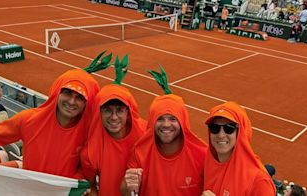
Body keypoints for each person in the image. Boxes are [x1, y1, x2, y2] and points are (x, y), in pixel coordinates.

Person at [0, 52, 111, 178]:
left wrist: (79, 181)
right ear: (57, 92)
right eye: (67, 93)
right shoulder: (29, 119)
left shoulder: (91, 131)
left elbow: (90, 169)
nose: (71, 101)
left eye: (79, 97)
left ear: (87, 102)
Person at [121, 67, 207, 195]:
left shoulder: (203, 153)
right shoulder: (140, 151)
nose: (166, 125)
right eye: (160, 119)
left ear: (182, 121)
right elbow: (126, 191)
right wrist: (127, 187)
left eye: (173, 119)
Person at [81, 55, 146, 195]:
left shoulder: (146, 133)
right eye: (108, 111)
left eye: (120, 111)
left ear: (128, 113)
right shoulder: (90, 151)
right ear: (100, 113)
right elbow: (91, 187)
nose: (114, 117)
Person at [202, 101, 275, 195]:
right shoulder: (207, 163)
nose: (221, 135)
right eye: (214, 128)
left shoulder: (259, 180)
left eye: (229, 128)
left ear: (241, 132)